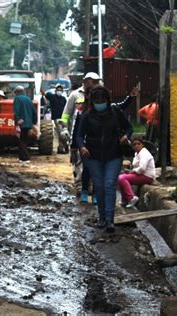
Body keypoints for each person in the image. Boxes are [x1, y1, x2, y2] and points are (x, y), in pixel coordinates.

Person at [77, 85, 133, 233]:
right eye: (97, 100)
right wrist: (82, 147)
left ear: (107, 100)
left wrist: (126, 137)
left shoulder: (116, 112)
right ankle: (102, 217)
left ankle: (110, 220)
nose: (99, 103)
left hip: (113, 155)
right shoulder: (87, 116)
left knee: (109, 185)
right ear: (92, 101)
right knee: (99, 188)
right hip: (93, 157)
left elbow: (129, 128)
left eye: (102, 100)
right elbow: (79, 135)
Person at [62, 72, 101, 203]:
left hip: (93, 135)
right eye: (93, 81)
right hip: (77, 132)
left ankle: (89, 185)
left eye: (96, 82)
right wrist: (63, 128)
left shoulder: (98, 94)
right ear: (86, 81)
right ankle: (79, 185)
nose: (95, 84)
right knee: (78, 161)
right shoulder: (75, 95)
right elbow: (67, 113)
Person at [118, 137, 156, 208]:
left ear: (142, 145)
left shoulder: (144, 153)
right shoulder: (137, 154)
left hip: (147, 176)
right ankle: (125, 199)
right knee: (121, 177)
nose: (136, 145)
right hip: (141, 175)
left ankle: (131, 198)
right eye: (134, 144)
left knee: (121, 178)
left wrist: (132, 171)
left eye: (139, 144)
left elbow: (142, 168)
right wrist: (130, 171)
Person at [14, 85, 37, 163]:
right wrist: (33, 122)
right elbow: (34, 111)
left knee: (21, 140)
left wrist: (16, 121)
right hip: (28, 123)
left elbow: (16, 111)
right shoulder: (28, 99)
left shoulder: (17, 99)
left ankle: (25, 158)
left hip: (21, 123)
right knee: (25, 140)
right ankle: (22, 158)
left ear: (17, 92)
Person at [42, 84, 68, 153]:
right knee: (60, 133)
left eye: (60, 90)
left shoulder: (63, 99)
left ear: (62, 91)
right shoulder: (53, 97)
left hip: (63, 118)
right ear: (56, 90)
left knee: (64, 133)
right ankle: (64, 146)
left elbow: (67, 108)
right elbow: (46, 94)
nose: (59, 91)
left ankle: (60, 148)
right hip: (56, 118)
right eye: (58, 90)